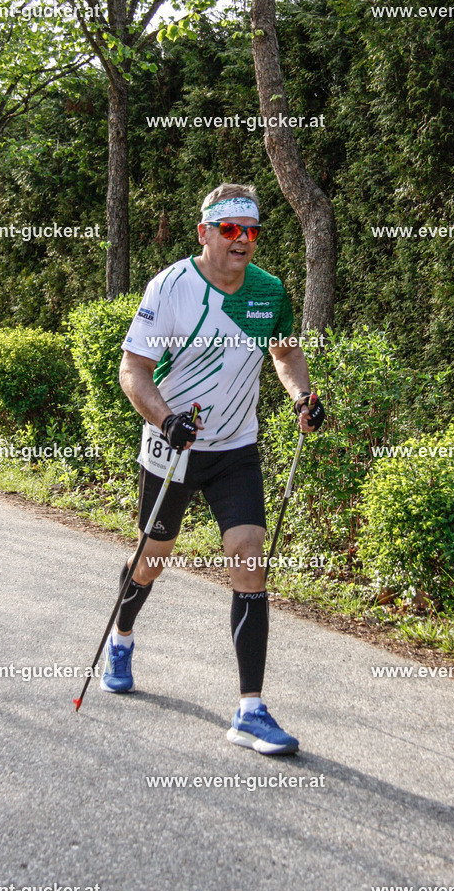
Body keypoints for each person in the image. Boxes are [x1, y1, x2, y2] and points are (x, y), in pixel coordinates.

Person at [105, 183, 325, 755]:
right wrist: (163, 418)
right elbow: (134, 371)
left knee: (250, 559)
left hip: (235, 449)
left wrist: (302, 395)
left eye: (252, 231)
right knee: (152, 558)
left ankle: (251, 710)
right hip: (173, 449)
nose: (243, 241)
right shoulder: (172, 287)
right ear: (205, 233)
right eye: (230, 230)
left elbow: (286, 354)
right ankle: (122, 637)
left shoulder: (269, 291)